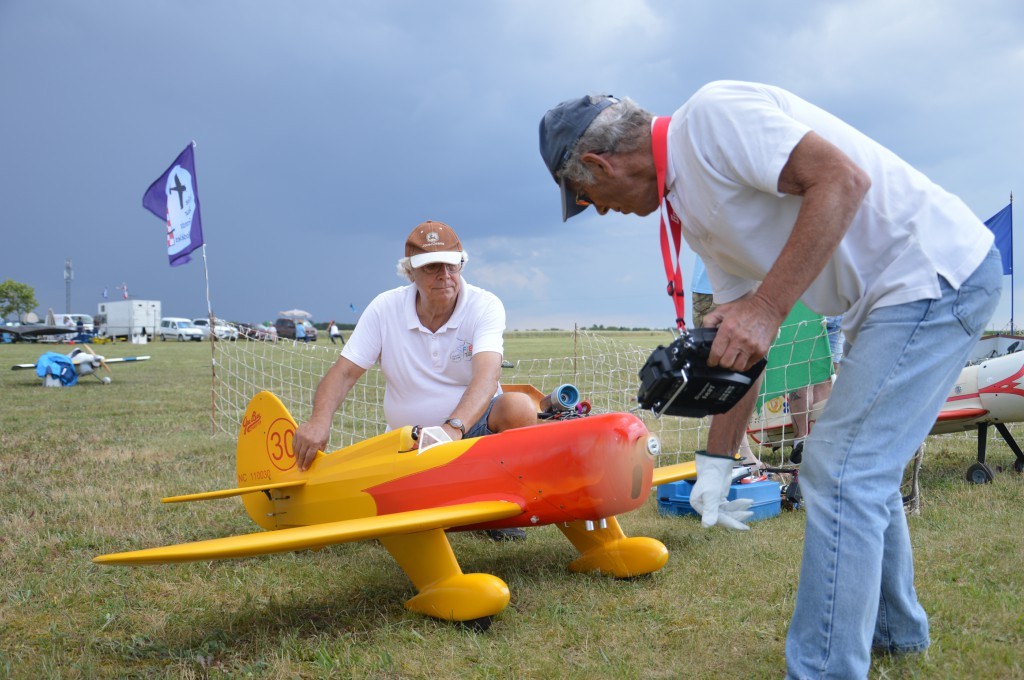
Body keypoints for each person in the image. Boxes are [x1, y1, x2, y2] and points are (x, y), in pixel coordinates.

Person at [539, 82, 1001, 678]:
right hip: (889, 299)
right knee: (862, 468)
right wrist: (716, 461)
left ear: (600, 163)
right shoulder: (695, 211)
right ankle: (895, 632)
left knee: (840, 470)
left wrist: (769, 306)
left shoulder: (710, 120)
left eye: (586, 195)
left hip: (933, 276)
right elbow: (743, 350)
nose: (598, 209)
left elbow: (842, 179)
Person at [292, 220, 538, 540]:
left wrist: (452, 430)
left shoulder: (485, 304)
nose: (445, 276)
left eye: (452, 265)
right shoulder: (385, 308)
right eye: (432, 267)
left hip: (469, 435)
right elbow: (344, 372)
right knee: (392, 525)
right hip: (409, 443)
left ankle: (499, 510)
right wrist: (318, 421)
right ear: (410, 273)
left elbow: (487, 376)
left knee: (518, 407)